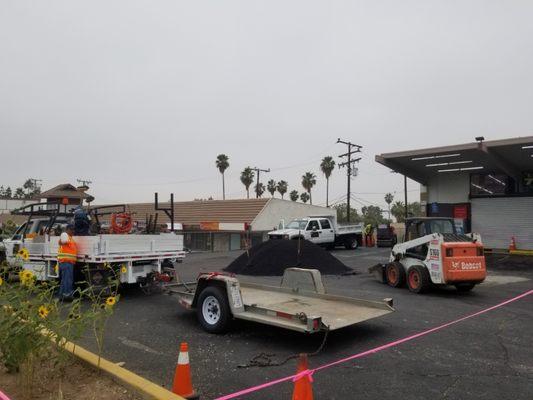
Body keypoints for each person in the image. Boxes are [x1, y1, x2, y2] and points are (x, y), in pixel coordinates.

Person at [57, 224, 77, 300]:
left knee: (64, 279)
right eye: (72, 230)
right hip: (66, 262)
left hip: (67, 262)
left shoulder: (70, 238)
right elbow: (62, 242)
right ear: (68, 230)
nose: (73, 231)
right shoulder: (65, 236)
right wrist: (64, 234)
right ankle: (67, 295)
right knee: (67, 279)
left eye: (74, 230)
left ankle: (62, 295)